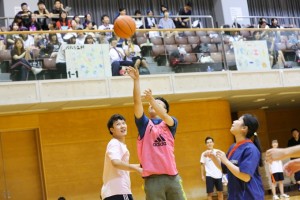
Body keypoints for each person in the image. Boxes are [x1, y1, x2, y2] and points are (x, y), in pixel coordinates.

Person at [126, 66, 187, 200]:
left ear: (164, 110)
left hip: (173, 178)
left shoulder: (171, 123)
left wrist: (152, 99)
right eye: (151, 105)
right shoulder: (144, 124)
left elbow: (165, 117)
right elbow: (137, 103)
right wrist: (136, 80)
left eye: (159, 105)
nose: (152, 105)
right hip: (152, 180)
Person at [207, 114, 264, 199]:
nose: (234, 121)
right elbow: (225, 168)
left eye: (238, 120)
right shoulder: (233, 147)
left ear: (244, 128)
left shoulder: (250, 149)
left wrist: (226, 161)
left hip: (250, 196)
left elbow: (245, 177)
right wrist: (213, 158)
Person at [101, 114, 142, 200]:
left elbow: (121, 166)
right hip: (118, 191)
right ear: (112, 130)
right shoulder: (114, 143)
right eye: (118, 124)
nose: (122, 126)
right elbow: (116, 163)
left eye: (123, 123)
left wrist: (140, 166)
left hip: (114, 192)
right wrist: (137, 169)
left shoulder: (119, 144)